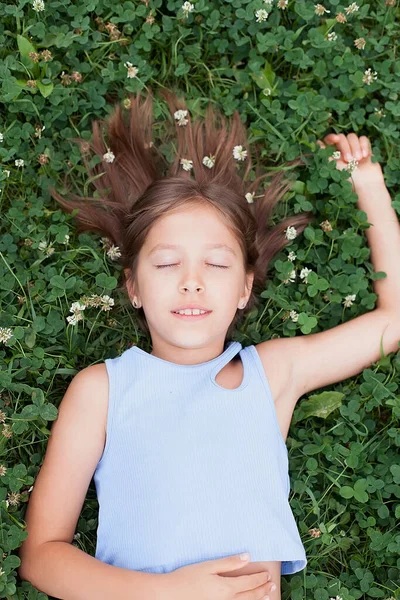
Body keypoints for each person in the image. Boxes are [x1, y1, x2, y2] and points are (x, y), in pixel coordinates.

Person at [18, 89, 400, 600]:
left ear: (244, 288)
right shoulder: (103, 390)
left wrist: (368, 185)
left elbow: (393, 319)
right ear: (133, 286)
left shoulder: (274, 372)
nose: (192, 281)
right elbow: (41, 555)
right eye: (168, 263)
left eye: (216, 265)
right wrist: (168, 591)